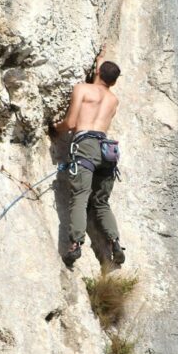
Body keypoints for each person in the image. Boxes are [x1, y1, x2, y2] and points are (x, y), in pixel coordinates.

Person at [51, 48, 125, 267]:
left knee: (81, 197)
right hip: (108, 151)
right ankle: (115, 243)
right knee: (101, 201)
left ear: (97, 72)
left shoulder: (82, 89)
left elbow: (71, 123)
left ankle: (75, 245)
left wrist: (54, 128)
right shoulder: (113, 100)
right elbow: (101, 86)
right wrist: (101, 63)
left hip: (86, 146)